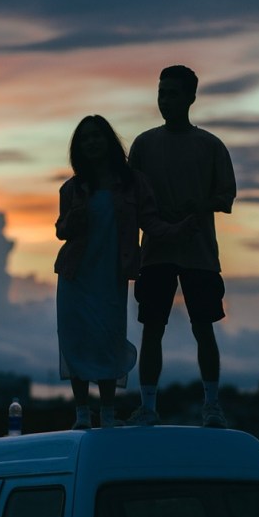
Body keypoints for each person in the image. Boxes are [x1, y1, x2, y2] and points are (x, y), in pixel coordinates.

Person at [55, 114, 197, 429]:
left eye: (97, 136)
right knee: (75, 340)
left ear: (109, 141)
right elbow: (61, 231)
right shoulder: (73, 188)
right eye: (85, 138)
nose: (92, 142)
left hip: (111, 276)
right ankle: (81, 414)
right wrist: (74, 219)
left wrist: (179, 230)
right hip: (75, 276)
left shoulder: (133, 184)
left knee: (109, 339)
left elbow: (151, 222)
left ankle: (106, 413)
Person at [127, 65, 237, 427]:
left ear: (191, 97)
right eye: (161, 93)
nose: (165, 101)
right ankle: (148, 406)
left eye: (173, 93)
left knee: (203, 326)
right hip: (156, 250)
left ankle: (211, 404)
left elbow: (226, 195)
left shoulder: (210, 145)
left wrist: (196, 209)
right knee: (152, 327)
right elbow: (132, 198)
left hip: (199, 251)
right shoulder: (143, 144)